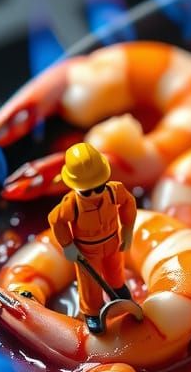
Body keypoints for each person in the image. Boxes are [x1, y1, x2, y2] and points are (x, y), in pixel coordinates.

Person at [48, 143, 137, 334]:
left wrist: (128, 229)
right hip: (87, 250)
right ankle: (92, 312)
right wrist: (68, 245)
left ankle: (118, 289)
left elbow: (128, 202)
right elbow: (56, 220)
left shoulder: (114, 191)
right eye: (87, 191)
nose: (94, 194)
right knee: (89, 281)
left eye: (99, 187)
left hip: (112, 241)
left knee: (115, 269)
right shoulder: (71, 204)